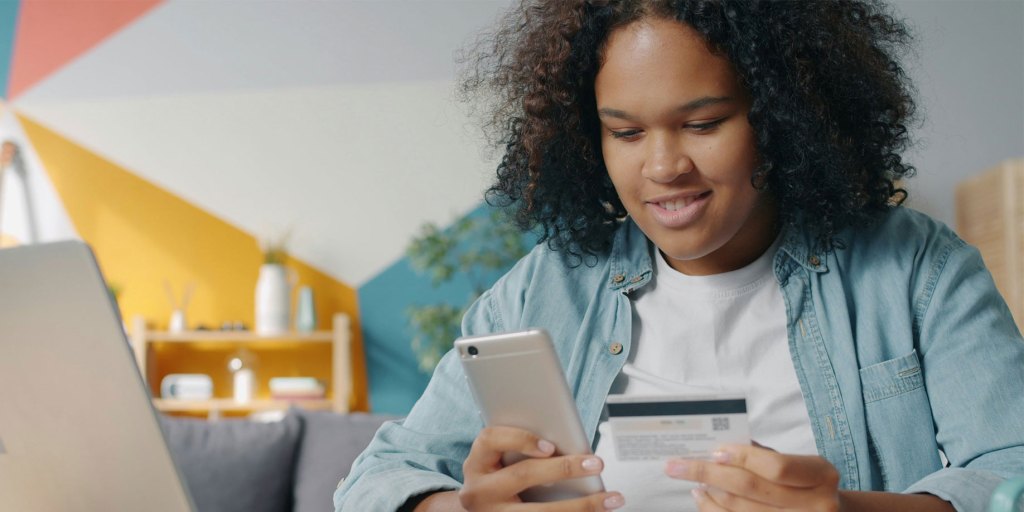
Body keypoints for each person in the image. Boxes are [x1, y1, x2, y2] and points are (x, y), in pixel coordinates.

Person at [335, 1, 1024, 510]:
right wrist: (457, 507)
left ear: (782, 117)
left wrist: (848, 510)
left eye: (703, 123)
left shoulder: (915, 271)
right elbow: (373, 481)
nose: (663, 166)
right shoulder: (543, 289)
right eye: (626, 132)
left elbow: (1013, 473)